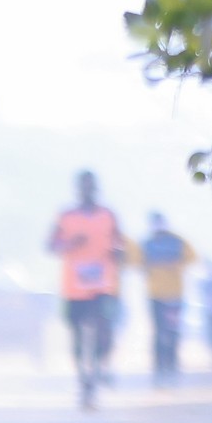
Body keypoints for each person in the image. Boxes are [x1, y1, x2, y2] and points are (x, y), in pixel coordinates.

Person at [49, 172, 125, 410]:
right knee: (78, 337)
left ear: (96, 188)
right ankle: (84, 379)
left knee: (104, 332)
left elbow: (121, 243)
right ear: (77, 189)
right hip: (74, 287)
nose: (87, 190)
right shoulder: (66, 216)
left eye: (91, 186)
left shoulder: (108, 215)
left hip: (103, 285)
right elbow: (51, 244)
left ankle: (99, 369)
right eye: (84, 186)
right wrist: (70, 244)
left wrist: (118, 252)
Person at [139, 211, 197, 385]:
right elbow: (137, 262)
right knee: (158, 331)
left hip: (174, 295)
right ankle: (158, 365)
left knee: (172, 330)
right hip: (155, 294)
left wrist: (175, 264)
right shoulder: (146, 243)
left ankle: (172, 363)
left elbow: (193, 257)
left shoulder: (177, 241)